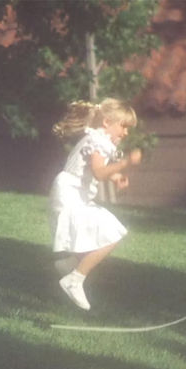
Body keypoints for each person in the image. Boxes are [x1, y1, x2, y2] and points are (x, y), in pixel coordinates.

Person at [50, 98, 142, 310]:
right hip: (70, 194)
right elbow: (99, 172)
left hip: (74, 193)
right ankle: (75, 277)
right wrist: (126, 163)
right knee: (112, 232)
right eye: (123, 126)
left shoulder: (98, 140)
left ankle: (70, 265)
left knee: (102, 232)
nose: (126, 133)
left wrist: (116, 176)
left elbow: (96, 170)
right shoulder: (98, 142)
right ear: (107, 122)